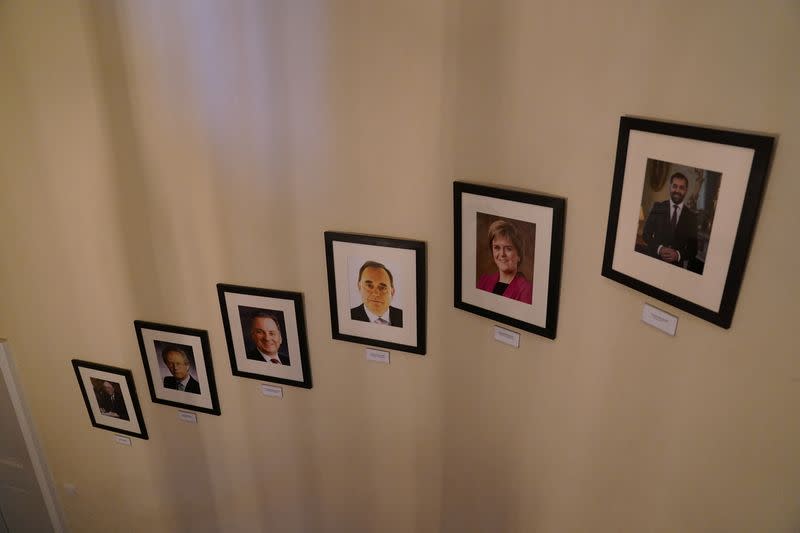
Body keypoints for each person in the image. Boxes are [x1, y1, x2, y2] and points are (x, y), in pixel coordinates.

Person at [641, 172, 699, 269]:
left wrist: (677, 255)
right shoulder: (657, 207)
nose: (677, 190)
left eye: (681, 187)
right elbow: (646, 235)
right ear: (670, 187)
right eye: (674, 186)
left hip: (675, 269)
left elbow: (693, 250)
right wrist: (659, 249)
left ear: (686, 190)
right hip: (653, 262)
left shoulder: (692, 217)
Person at [476, 219, 533, 304]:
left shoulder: (527, 290)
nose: (502, 254)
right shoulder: (484, 281)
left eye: (508, 249)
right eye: (497, 248)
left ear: (519, 255)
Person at [350, 261, 403, 327]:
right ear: (359, 287)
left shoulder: (404, 316)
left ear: (392, 292)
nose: (375, 294)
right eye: (369, 286)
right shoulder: (349, 316)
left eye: (382, 288)